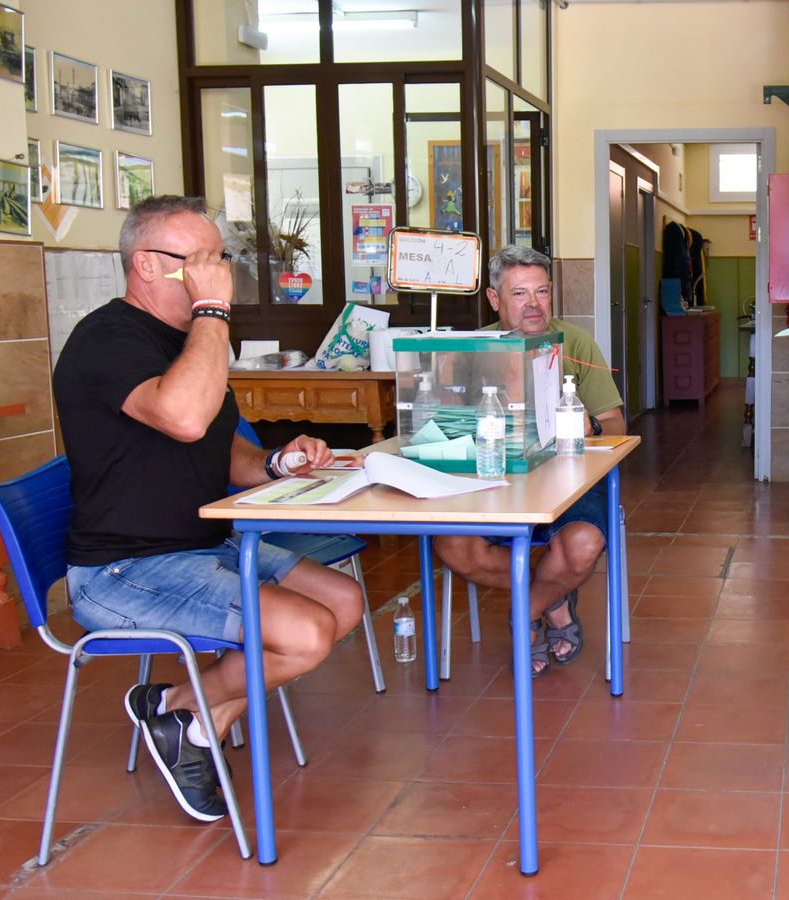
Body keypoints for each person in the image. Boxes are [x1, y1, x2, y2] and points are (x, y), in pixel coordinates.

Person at [52, 196, 364, 822]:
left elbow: (222, 451)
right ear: (145, 265)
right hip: (126, 568)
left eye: (217, 258)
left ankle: (187, 720)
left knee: (343, 602)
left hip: (203, 546)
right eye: (196, 260)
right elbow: (186, 418)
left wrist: (278, 464)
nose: (214, 271)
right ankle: (178, 711)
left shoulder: (187, 338)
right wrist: (214, 311)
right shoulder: (106, 341)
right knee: (303, 634)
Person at [433, 245, 625, 678]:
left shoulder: (573, 343)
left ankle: (525, 615)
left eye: (542, 291)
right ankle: (554, 597)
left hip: (567, 480)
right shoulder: (470, 350)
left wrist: (584, 424)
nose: (534, 304)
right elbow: (441, 426)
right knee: (452, 546)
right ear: (494, 299)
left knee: (580, 546)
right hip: (491, 483)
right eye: (520, 294)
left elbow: (616, 426)